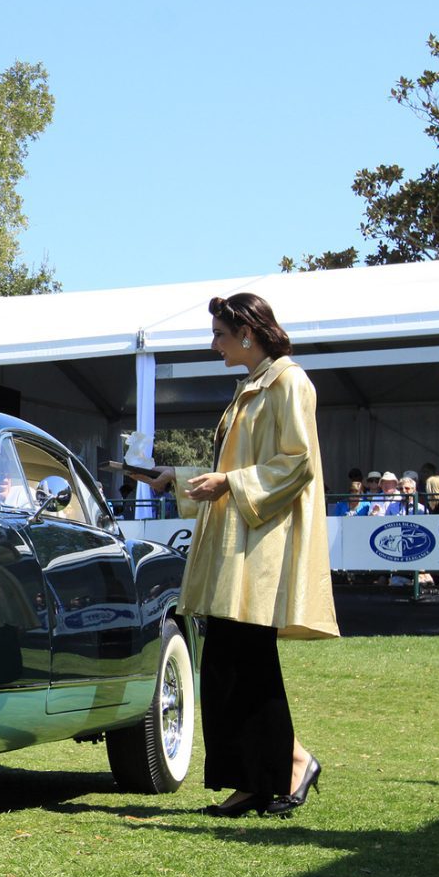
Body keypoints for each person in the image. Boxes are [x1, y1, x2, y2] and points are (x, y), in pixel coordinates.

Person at [129, 293, 338, 818]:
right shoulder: (251, 388)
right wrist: (176, 477)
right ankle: (276, 769)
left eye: (220, 333)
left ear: (247, 332)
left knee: (245, 662)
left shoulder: (289, 381)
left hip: (260, 548)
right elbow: (240, 467)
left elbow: (297, 464)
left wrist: (228, 481)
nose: (214, 343)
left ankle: (273, 775)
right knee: (230, 662)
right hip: (236, 546)